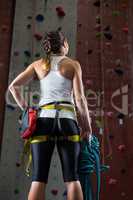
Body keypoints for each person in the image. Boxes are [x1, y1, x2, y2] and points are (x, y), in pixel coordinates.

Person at [8, 28, 92, 200]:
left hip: (43, 121)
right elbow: (80, 99)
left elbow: (13, 87)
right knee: (72, 178)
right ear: (64, 45)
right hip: (67, 121)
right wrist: (87, 127)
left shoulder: (37, 65)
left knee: (38, 178)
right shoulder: (73, 65)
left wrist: (27, 110)